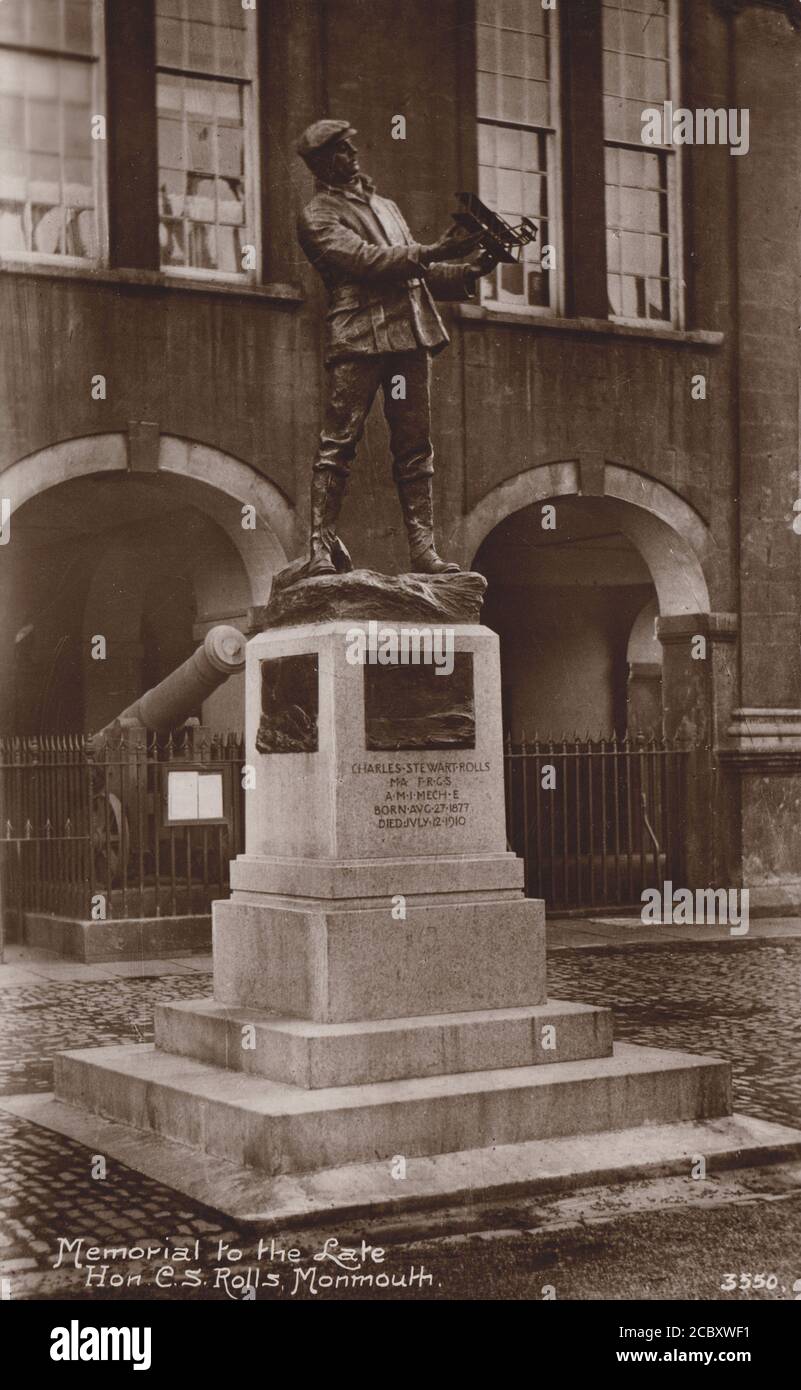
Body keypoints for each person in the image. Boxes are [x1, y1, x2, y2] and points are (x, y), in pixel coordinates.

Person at [296, 118, 499, 576]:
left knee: (415, 447)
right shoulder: (318, 214)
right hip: (360, 336)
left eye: (353, 148)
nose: (355, 157)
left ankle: (423, 552)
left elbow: (414, 272)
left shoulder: (386, 206)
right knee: (338, 444)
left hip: (409, 334)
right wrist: (433, 251)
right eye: (344, 151)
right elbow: (366, 262)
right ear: (324, 162)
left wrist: (470, 269)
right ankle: (319, 549)